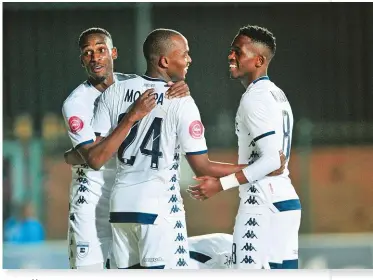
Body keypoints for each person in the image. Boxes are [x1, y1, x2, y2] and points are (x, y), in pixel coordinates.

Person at [88, 28, 285, 269]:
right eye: (185, 54)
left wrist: (130, 119)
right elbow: (202, 166)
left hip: (120, 210)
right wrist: (260, 168)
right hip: (158, 209)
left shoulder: (113, 93)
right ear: (164, 61)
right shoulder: (181, 100)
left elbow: (94, 159)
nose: (189, 60)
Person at [62, 27, 189, 269]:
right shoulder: (76, 103)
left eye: (101, 50)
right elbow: (94, 158)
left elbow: (165, 91)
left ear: (114, 53)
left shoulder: (132, 85)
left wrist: (180, 86)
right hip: (91, 205)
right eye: (88, 53)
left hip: (125, 199)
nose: (95, 57)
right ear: (82, 60)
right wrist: (130, 118)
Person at [189, 25, 301, 269]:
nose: (231, 56)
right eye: (231, 50)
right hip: (285, 202)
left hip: (261, 203)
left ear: (258, 60)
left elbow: (272, 161)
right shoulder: (276, 94)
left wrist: (221, 184)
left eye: (238, 52)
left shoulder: (255, 97)